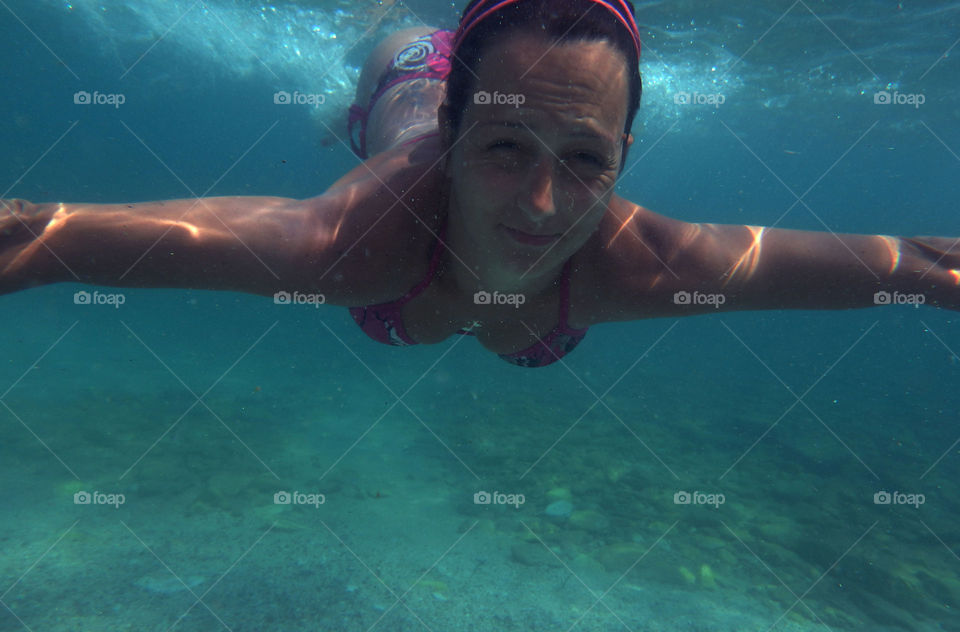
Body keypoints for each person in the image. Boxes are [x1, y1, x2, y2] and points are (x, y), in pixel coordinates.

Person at [1, 0, 957, 368]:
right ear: (458, 141)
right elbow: (44, 238)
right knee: (390, 56)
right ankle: (390, 41)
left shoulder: (650, 265)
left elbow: (917, 264)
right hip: (415, 87)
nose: (542, 209)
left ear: (626, 151)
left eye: (585, 159)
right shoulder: (342, 245)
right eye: (503, 150)